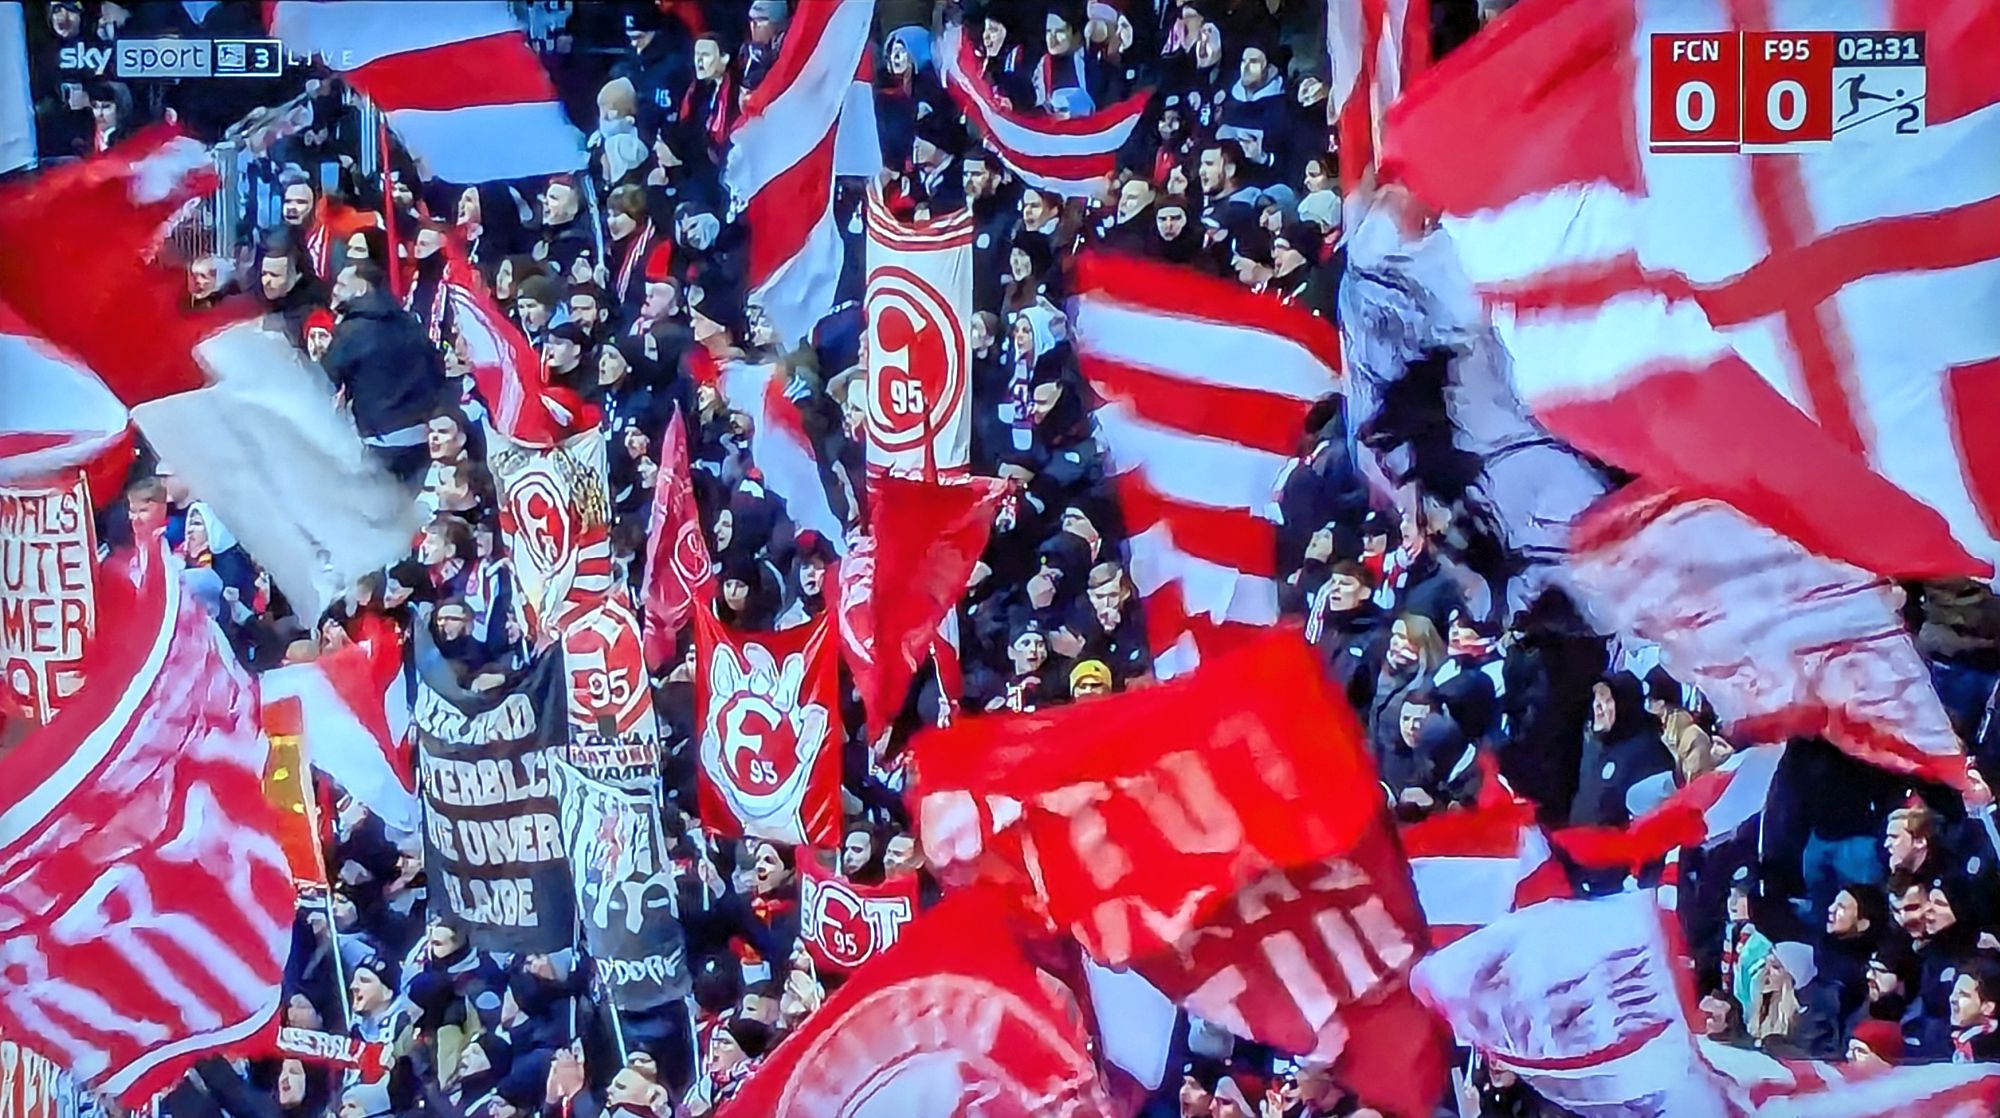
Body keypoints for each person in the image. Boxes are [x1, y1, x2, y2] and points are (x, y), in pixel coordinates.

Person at [322, 260, 451, 481]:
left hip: (380, 440)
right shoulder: (409, 322)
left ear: (362, 289)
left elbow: (324, 380)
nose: (335, 289)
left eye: (342, 284)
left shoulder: (351, 331)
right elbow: (437, 367)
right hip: (421, 436)